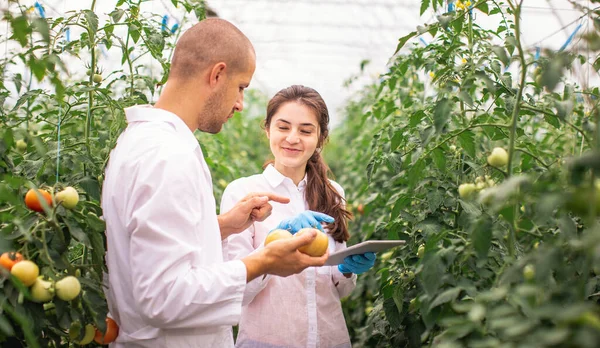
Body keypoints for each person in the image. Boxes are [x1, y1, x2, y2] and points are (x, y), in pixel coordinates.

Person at [100, 19, 333, 347]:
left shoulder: (141, 141)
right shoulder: (168, 156)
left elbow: (147, 245)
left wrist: (222, 226)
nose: (239, 104)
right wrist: (264, 260)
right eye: (240, 87)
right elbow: (163, 296)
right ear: (217, 74)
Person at [220, 85, 377, 348]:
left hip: (330, 338)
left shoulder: (333, 192)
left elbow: (339, 291)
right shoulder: (243, 192)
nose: (293, 138)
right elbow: (238, 291)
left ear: (320, 138)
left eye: (305, 131)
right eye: (283, 127)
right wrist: (274, 242)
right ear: (267, 129)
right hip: (266, 341)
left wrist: (346, 271)